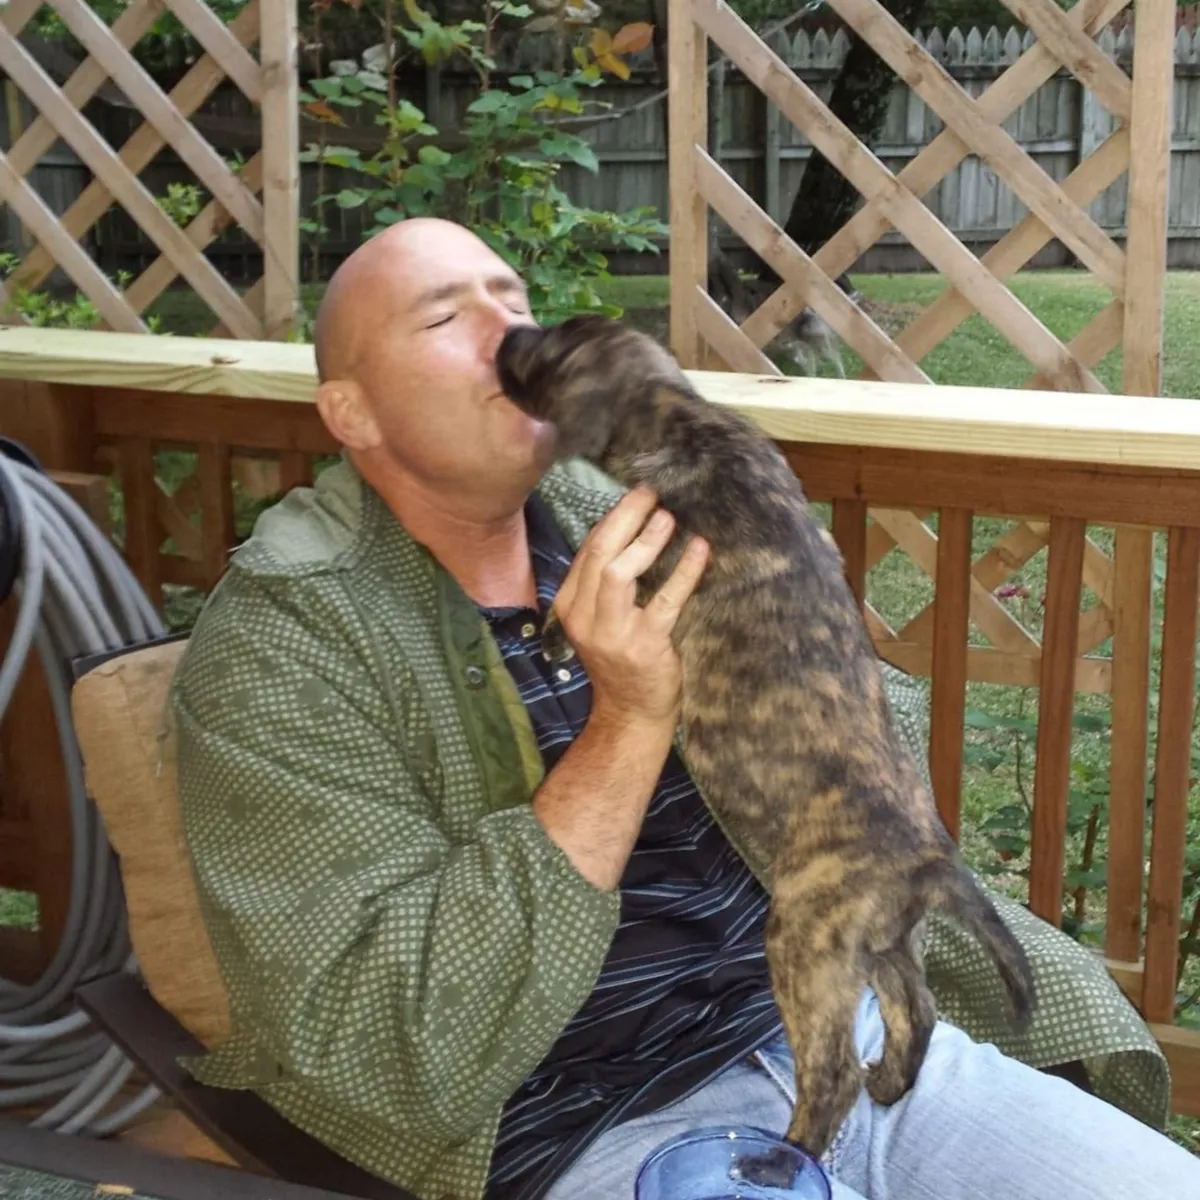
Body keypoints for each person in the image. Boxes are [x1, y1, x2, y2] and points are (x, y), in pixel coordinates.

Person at [171, 218, 1199, 1200]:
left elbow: (854, 758)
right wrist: (627, 719)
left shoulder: (632, 518)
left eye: (513, 296)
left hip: (851, 1039)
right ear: (353, 414)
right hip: (594, 1125)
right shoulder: (285, 644)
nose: (512, 333)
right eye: (447, 319)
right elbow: (385, 1041)